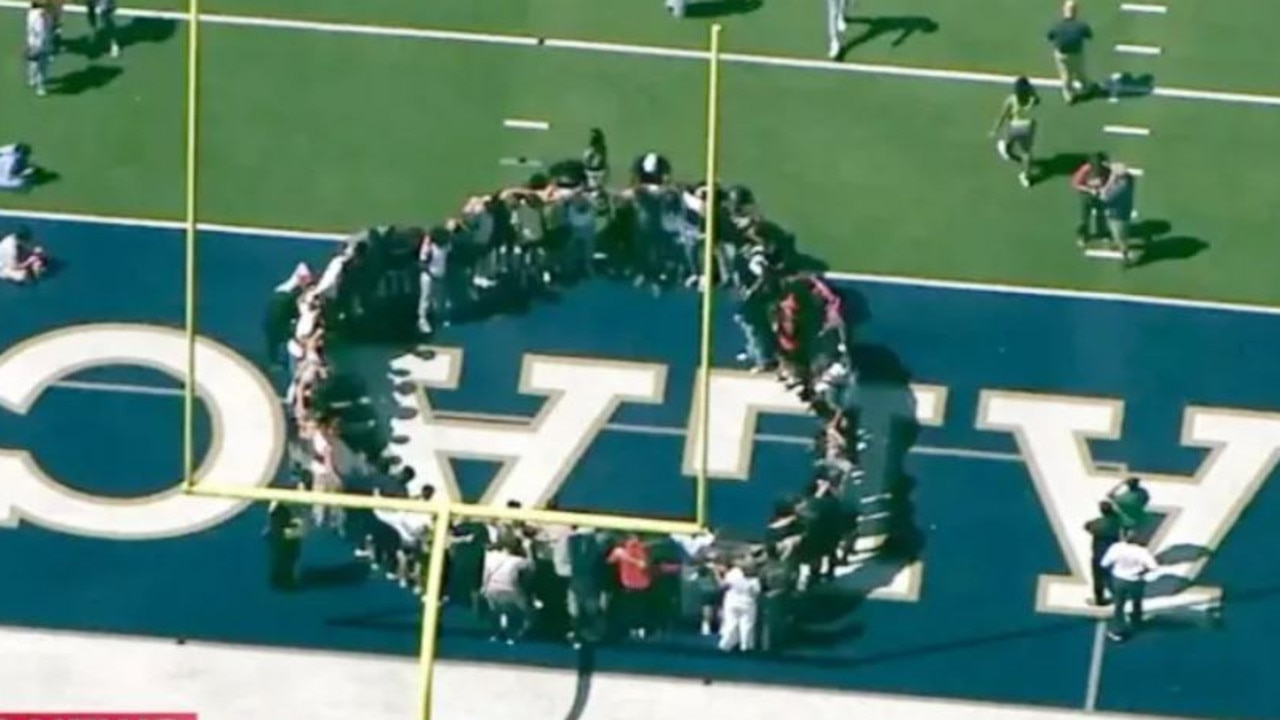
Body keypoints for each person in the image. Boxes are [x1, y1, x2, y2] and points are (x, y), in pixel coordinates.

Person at [1100, 529, 1159, 642]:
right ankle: (1137, 622)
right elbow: (1153, 567)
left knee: (1119, 606)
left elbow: (1104, 563)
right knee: (1137, 602)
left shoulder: (1116, 548)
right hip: (1136, 581)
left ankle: (1118, 631)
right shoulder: (1142, 551)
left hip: (1119, 579)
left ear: (1124, 537)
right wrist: (1140, 572)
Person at [989, 76, 1042, 188]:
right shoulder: (1033, 99)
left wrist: (995, 129)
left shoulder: (1011, 99)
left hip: (1015, 126)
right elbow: (1037, 99)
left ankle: (1007, 151)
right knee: (1026, 152)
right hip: (1028, 127)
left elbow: (1002, 116)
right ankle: (1026, 177)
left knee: (1009, 140)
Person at [1046, 1, 1095, 104]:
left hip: (1062, 55)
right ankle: (1086, 88)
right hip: (1076, 54)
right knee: (1080, 72)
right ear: (1076, 12)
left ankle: (1068, 95)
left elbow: (1050, 36)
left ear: (1064, 10)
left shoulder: (1057, 25)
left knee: (1065, 74)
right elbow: (1090, 35)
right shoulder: (1081, 25)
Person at [1099, 164, 1139, 265]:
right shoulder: (1129, 182)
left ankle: (1125, 254)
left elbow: (1104, 198)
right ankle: (1122, 245)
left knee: (1120, 237)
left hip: (1117, 216)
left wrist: (1108, 184)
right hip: (1124, 212)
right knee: (1123, 232)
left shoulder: (1119, 188)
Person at [1084, 501, 1122, 606]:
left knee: (1098, 578)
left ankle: (1100, 600)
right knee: (1112, 576)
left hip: (1099, 555)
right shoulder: (1116, 522)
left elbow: (1087, 526)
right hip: (1113, 554)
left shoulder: (1098, 524)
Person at [264, 500, 305, 591]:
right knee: (285, 552)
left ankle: (284, 576)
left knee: (288, 552)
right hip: (284, 522)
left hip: (286, 517)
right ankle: (284, 577)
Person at [1071, 153, 1111, 244]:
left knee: (1101, 215)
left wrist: (1104, 190)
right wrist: (1089, 190)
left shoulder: (1105, 169)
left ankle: (1102, 233)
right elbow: (1075, 184)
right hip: (1087, 196)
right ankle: (1083, 236)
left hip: (1100, 195)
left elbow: (1109, 181)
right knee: (1085, 217)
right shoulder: (1084, 171)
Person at [26, 1, 52, 97]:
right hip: (41, 43)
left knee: (34, 62)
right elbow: (41, 32)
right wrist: (41, 46)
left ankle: (31, 79)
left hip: (32, 41)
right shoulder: (42, 15)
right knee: (42, 65)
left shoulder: (31, 13)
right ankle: (40, 87)